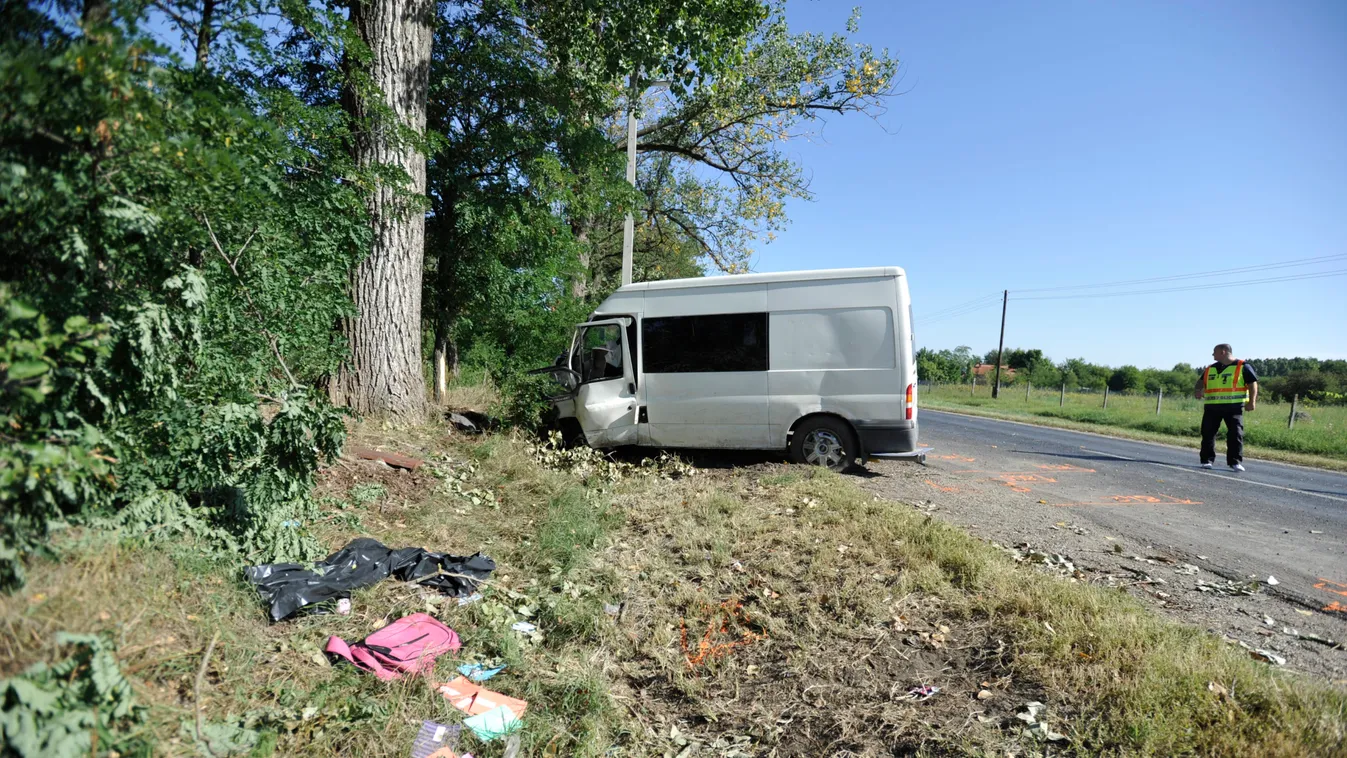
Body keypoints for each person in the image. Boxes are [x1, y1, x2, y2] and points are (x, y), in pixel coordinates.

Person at [1193, 343, 1258, 471]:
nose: (1212, 355)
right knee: (1208, 433)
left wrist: (1252, 402)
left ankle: (1235, 462)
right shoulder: (1210, 368)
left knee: (1235, 434)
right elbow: (1200, 382)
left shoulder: (1242, 366)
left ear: (1223, 352)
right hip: (1212, 407)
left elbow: (1252, 384)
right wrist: (1198, 390)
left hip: (1233, 407)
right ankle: (1206, 460)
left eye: (1214, 352)